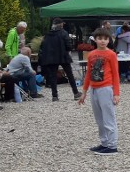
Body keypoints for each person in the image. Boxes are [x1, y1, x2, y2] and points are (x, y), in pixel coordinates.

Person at [77, 27, 120, 155]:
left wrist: (116, 93)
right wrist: (84, 92)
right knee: (99, 119)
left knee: (108, 117)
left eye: (105, 39)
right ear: (95, 39)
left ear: (109, 40)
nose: (103, 41)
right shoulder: (91, 55)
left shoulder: (111, 54)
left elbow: (115, 74)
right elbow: (88, 74)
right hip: (94, 89)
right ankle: (104, 142)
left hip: (106, 88)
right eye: (100, 38)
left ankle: (112, 145)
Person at [40, 18, 82, 102]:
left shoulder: (48, 34)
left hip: (51, 58)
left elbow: (43, 46)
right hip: (63, 56)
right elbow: (68, 46)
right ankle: (76, 93)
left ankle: (54, 96)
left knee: (52, 77)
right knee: (70, 75)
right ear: (61, 24)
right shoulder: (64, 33)